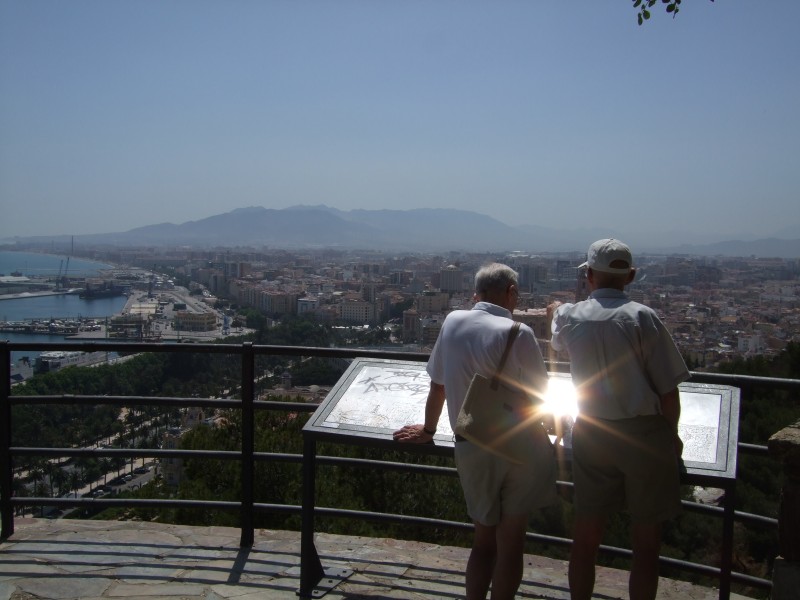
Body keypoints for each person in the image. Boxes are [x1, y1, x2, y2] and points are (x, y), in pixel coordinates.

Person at [394, 262, 557, 600]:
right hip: (520, 448)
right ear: (511, 292)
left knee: (482, 543)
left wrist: (428, 429)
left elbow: (438, 386)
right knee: (511, 544)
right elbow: (541, 397)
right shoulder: (519, 332)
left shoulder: (452, 321)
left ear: (476, 294)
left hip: (471, 443)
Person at [549, 239, 689, 600]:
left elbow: (557, 339)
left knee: (585, 536)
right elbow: (668, 390)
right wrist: (670, 436)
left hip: (592, 432)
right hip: (643, 435)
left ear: (589, 275)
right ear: (631, 275)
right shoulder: (643, 317)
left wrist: (558, 307)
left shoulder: (569, 316)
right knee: (645, 545)